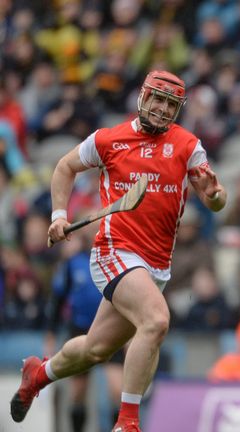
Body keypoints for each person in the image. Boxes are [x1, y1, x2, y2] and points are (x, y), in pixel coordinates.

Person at [9, 70, 227, 432]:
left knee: (95, 350)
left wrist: (216, 195)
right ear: (142, 97)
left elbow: (216, 201)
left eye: (170, 104)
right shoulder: (109, 139)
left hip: (155, 265)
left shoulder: (189, 146)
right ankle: (127, 422)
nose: (161, 108)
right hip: (115, 251)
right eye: (157, 99)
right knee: (156, 321)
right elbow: (65, 167)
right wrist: (59, 215)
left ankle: (39, 374)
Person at [46, 221, 123, 431]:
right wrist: (51, 335)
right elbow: (57, 300)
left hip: (111, 329)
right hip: (80, 330)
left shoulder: (115, 258)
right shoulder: (72, 263)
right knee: (78, 392)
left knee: (118, 390)